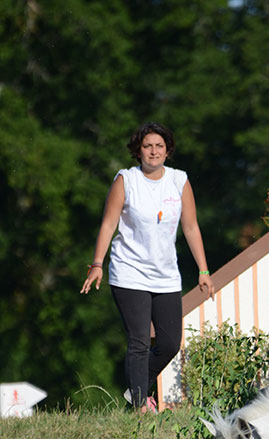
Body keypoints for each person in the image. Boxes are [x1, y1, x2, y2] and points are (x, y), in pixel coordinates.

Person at [81, 122, 214, 411]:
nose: (153, 151)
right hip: (128, 271)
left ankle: (135, 391)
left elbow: (190, 227)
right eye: (147, 146)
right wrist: (97, 264)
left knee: (169, 344)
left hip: (166, 275)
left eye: (159, 146)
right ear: (138, 151)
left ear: (168, 151)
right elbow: (108, 224)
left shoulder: (179, 181)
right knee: (139, 340)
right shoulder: (126, 180)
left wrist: (203, 270)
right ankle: (141, 406)